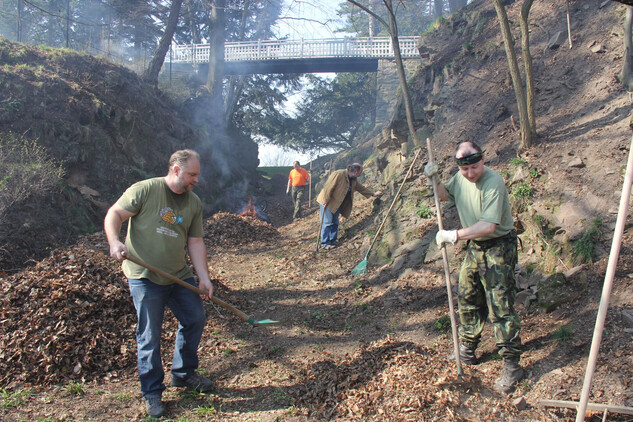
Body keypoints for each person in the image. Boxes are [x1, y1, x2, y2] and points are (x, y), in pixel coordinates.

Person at [104, 149, 215, 418]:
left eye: (197, 175)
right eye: (192, 174)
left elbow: (195, 242)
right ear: (176, 170)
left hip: (178, 275)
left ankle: (183, 373)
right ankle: (152, 392)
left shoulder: (193, 203)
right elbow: (115, 214)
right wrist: (115, 241)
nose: (195, 180)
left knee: (194, 318)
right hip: (145, 277)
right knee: (150, 335)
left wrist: (203, 276)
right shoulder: (145, 190)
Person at [424, 141, 523, 394]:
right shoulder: (459, 177)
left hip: (499, 244)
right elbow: (445, 194)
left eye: (474, 168)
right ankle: (467, 348)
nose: (470, 174)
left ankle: (512, 363)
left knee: (500, 302)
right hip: (475, 246)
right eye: (465, 169)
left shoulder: (494, 182)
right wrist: (435, 180)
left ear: (483, 161)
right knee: (467, 295)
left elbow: (488, 226)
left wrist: (453, 235)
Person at [316, 163, 382, 249]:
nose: (359, 175)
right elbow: (328, 187)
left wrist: (373, 194)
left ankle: (332, 241)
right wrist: (325, 199)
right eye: (359, 173)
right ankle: (325, 243)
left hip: (337, 203)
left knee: (335, 222)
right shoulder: (338, 174)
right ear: (355, 171)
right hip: (327, 202)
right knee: (327, 223)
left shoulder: (353, 179)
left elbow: (361, 188)